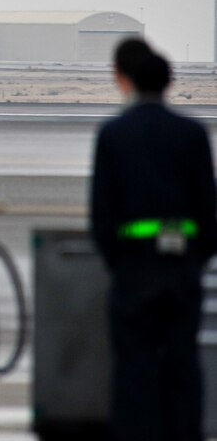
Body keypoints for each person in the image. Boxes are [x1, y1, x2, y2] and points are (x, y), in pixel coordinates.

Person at [91, 38, 217, 441]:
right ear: (169, 83)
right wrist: (193, 262)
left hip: (134, 267)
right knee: (183, 365)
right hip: (181, 268)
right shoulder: (193, 133)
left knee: (133, 369)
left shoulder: (114, 134)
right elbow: (208, 212)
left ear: (123, 79)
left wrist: (120, 262)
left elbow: (102, 216)